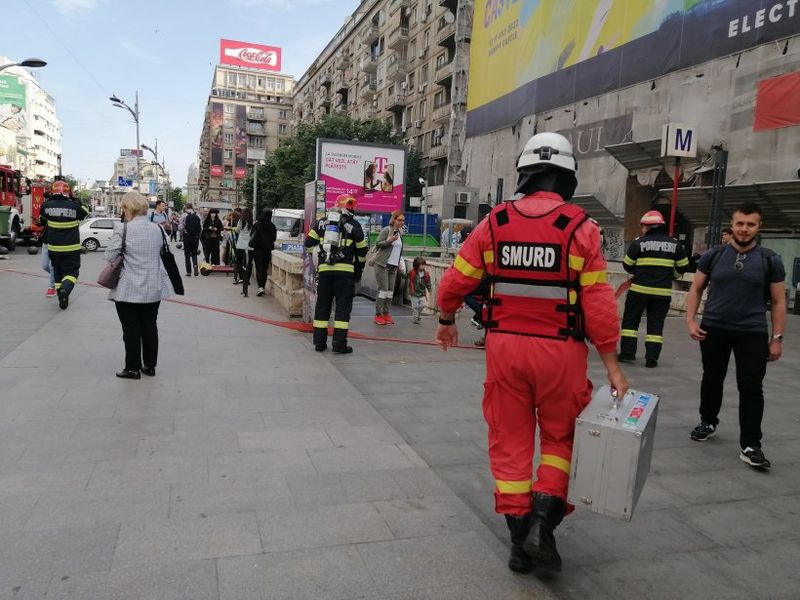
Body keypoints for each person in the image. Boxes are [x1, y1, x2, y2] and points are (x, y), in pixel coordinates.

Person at [435, 132, 628, 574]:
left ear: (524, 174)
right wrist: (613, 365)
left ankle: (519, 541)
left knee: (510, 440)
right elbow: (598, 303)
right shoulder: (582, 227)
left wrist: (446, 320)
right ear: (567, 177)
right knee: (561, 438)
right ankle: (543, 519)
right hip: (561, 352)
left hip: (505, 349)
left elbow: (454, 283)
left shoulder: (494, 224)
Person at [685, 202, 786, 469]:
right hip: (714, 328)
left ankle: (751, 444)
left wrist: (777, 338)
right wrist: (690, 321)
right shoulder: (713, 256)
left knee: (752, 388)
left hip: (752, 332)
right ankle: (708, 421)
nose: (744, 229)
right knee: (712, 378)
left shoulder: (770, 260)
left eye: (750, 224)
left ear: (758, 227)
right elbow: (695, 290)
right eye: (740, 223)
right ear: (733, 224)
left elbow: (778, 302)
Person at [105, 191, 175, 379]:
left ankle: (132, 368)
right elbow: (164, 250)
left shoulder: (123, 229)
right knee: (150, 326)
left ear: (128, 209)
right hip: (153, 287)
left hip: (128, 289)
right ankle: (150, 366)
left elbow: (110, 256)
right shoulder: (158, 230)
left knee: (131, 329)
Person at [618, 210, 690, 367]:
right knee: (656, 325)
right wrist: (673, 276)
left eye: (643, 226)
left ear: (648, 227)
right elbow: (684, 266)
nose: (642, 229)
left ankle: (627, 353)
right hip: (662, 293)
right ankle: (651, 358)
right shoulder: (675, 244)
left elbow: (627, 265)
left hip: (639, 291)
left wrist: (639, 270)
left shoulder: (638, 243)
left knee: (630, 323)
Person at [305, 194, 368, 353]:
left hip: (325, 272)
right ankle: (339, 345)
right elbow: (362, 252)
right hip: (345, 274)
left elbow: (308, 244)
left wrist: (319, 258)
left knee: (322, 307)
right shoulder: (355, 225)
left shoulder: (320, 223)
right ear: (350, 208)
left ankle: (319, 343)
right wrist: (358, 270)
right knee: (342, 309)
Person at [38, 180, 88, 310]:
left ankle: (61, 294)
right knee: (72, 272)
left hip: (53, 249)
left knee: (58, 273)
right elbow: (85, 211)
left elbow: (42, 218)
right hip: (71, 249)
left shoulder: (46, 206)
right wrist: (74, 200)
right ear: (68, 192)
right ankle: (65, 290)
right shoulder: (74, 206)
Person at [372, 210, 405, 325]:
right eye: (400, 220)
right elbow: (377, 243)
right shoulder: (387, 230)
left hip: (393, 267)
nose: (402, 222)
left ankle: (386, 313)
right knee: (383, 291)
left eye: (403, 220)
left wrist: (399, 263)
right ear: (394, 220)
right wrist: (389, 241)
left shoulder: (399, 233)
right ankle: (378, 315)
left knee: (390, 292)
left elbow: (398, 250)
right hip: (382, 265)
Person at [249, 208, 277, 296]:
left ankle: (260, 287)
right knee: (264, 269)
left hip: (258, 250)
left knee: (259, 268)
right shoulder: (272, 226)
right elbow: (274, 239)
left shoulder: (257, 225)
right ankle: (263, 287)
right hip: (267, 251)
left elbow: (251, 235)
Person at [235, 208, 255, 296]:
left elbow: (237, 230)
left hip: (241, 245)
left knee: (239, 262)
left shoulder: (241, 221)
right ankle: (247, 279)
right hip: (250, 245)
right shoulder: (252, 222)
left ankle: (242, 277)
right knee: (249, 263)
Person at [408, 256, 431, 324]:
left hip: (422, 293)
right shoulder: (412, 272)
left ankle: (418, 315)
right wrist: (400, 273)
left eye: (424, 264)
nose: (423, 266)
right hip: (414, 293)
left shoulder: (426, 274)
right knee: (415, 307)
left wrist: (429, 289)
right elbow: (406, 276)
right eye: (421, 265)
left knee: (423, 305)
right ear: (417, 265)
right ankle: (415, 319)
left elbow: (428, 282)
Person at [182, 204, 202, 276]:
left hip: (187, 237)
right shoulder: (198, 216)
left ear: (187, 208)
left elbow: (181, 227)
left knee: (187, 254)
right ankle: (195, 266)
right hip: (195, 237)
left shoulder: (184, 216)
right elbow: (200, 227)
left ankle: (189, 271)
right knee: (194, 253)